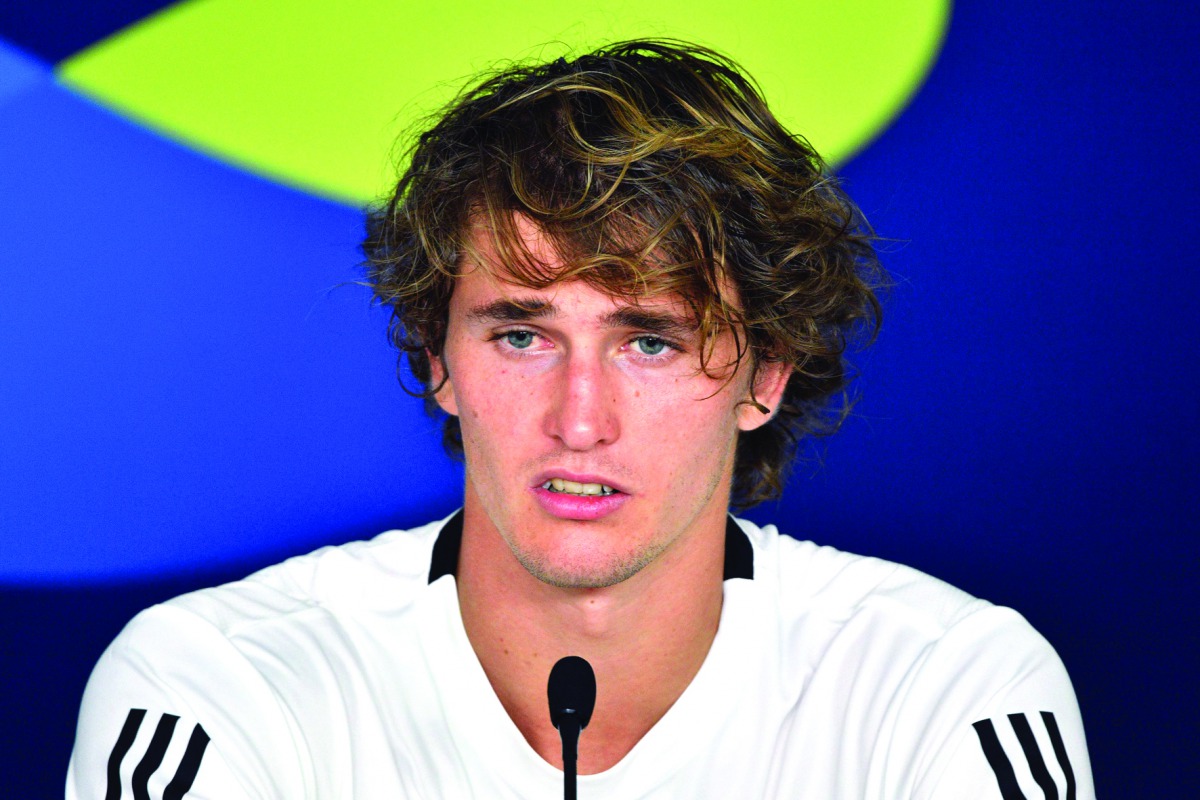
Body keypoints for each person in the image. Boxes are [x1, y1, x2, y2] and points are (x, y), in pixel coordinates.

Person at [67, 40, 1094, 799]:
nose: (580, 416)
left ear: (767, 373)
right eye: (521, 333)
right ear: (440, 360)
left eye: (650, 338)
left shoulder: (946, 689)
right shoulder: (215, 688)